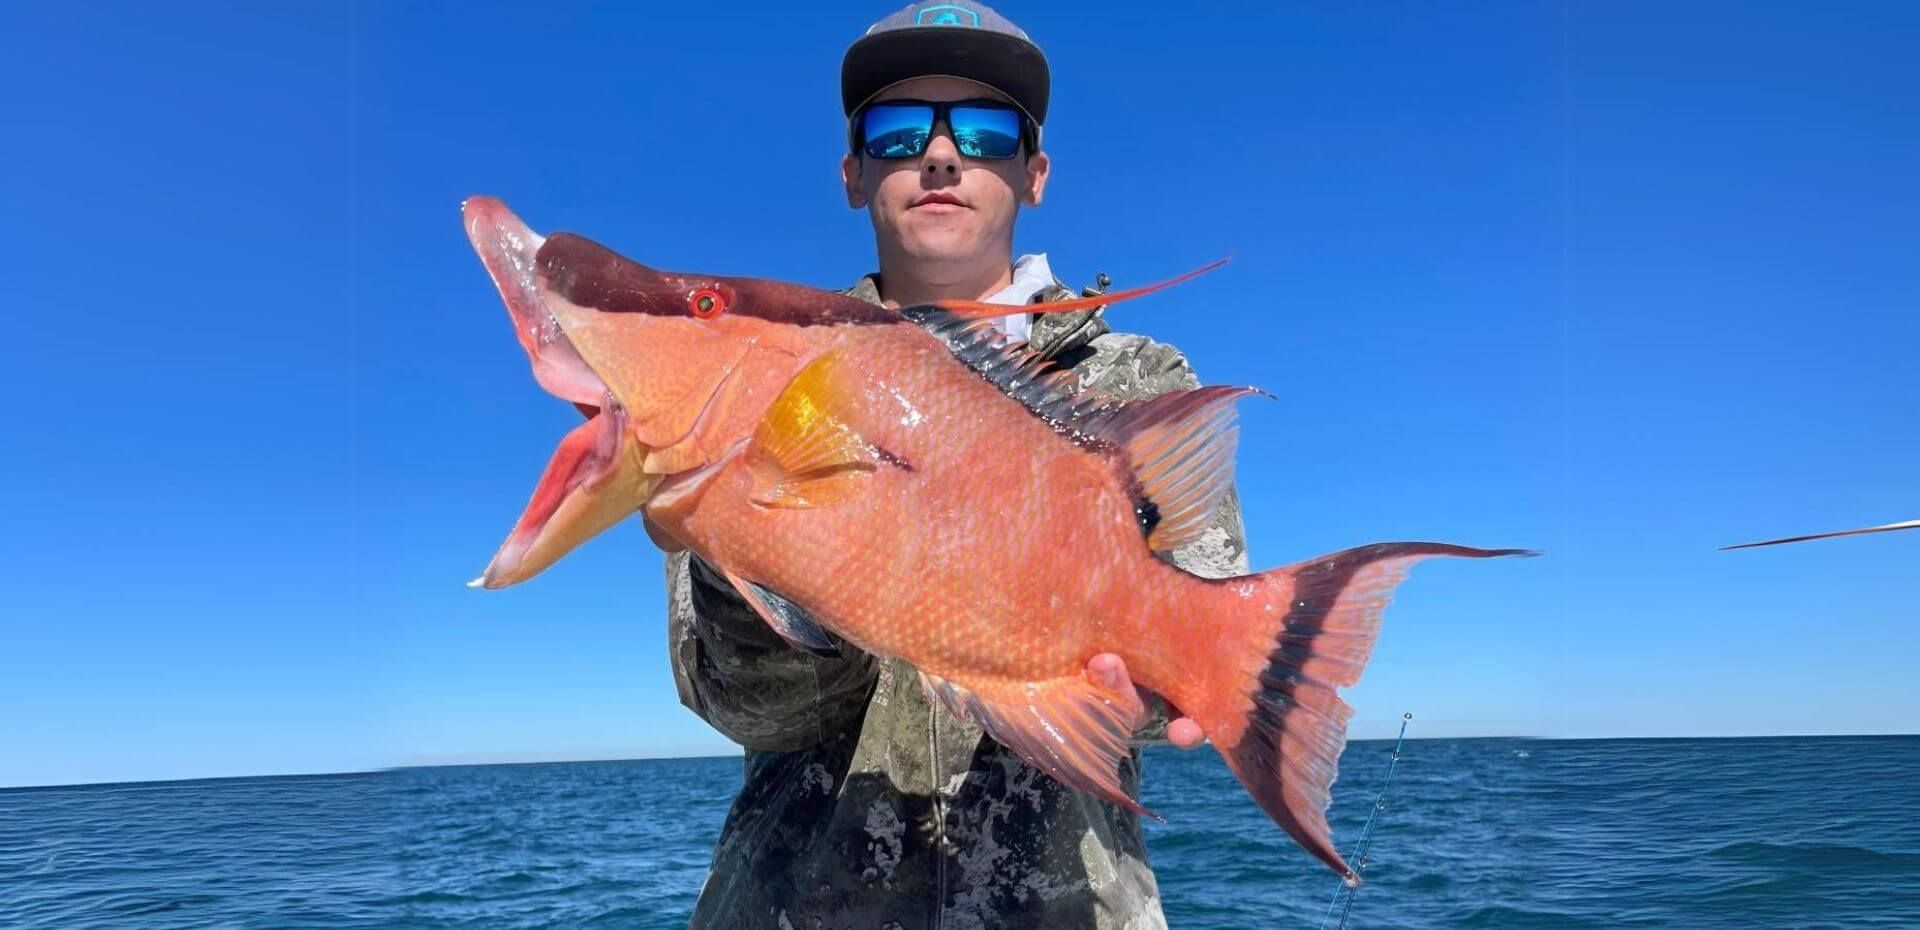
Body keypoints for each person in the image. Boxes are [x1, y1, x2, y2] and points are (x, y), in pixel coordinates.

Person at [663, 4, 1248, 927]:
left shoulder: (1137, 382)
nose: (941, 156)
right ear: (855, 176)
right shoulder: (769, 371)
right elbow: (752, 711)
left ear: (1036, 173)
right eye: (899, 132)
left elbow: (1193, 656)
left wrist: (1154, 680)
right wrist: (754, 533)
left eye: (984, 130)